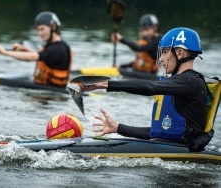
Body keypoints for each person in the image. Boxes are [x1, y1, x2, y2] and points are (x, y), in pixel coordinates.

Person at [80, 27, 216, 152]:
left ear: (180, 53)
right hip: (170, 148)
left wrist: (106, 84)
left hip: (184, 156)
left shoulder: (191, 81)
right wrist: (117, 128)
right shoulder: (178, 83)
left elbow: (150, 87)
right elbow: (157, 132)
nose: (161, 59)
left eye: (165, 52)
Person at [0, 11, 72, 88]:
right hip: (45, 89)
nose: (39, 33)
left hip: (51, 96)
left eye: (42, 29)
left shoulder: (58, 49)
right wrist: (24, 49)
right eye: (38, 30)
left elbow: (32, 57)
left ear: (53, 27)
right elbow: (43, 55)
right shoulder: (55, 46)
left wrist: (5, 52)